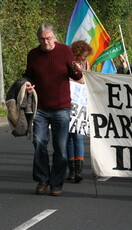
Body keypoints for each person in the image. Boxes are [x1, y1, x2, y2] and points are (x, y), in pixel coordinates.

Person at [24, 24, 83, 196]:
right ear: (38, 39)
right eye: (42, 39)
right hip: (40, 108)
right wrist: (27, 84)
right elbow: (28, 75)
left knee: (61, 149)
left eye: (49, 38)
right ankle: (43, 179)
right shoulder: (33, 54)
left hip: (61, 108)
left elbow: (76, 76)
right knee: (39, 143)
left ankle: (56, 183)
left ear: (54, 38)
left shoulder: (65, 51)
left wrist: (77, 71)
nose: (46, 42)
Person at [66, 40, 92, 183]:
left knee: (78, 136)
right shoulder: (69, 63)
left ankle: (79, 171)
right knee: (69, 137)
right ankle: (72, 170)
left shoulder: (86, 64)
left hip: (80, 105)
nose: (84, 59)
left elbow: (85, 80)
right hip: (68, 102)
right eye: (83, 57)